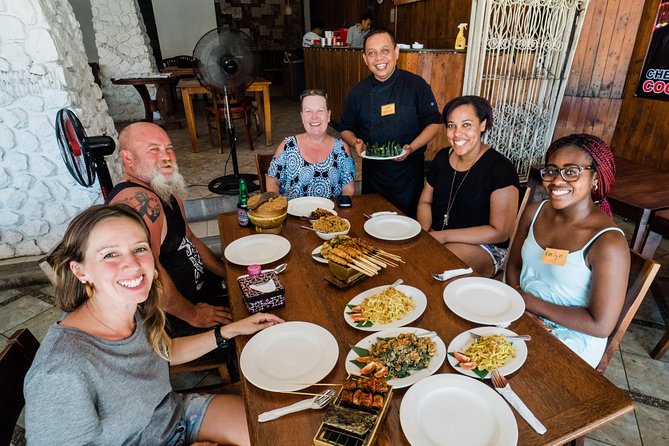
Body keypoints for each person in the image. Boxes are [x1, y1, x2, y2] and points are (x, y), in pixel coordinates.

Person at [23, 204, 284, 445]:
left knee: (273, 434)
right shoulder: (60, 372)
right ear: (80, 271)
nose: (133, 265)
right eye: (110, 254)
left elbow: (165, 351)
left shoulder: (133, 309)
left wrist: (229, 330)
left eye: (139, 249)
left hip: (173, 415)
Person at [506, 134, 630, 368]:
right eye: (552, 170)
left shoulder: (608, 243)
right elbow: (513, 265)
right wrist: (517, 300)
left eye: (571, 171)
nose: (557, 181)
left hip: (571, 336)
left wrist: (528, 303)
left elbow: (600, 325)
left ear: (595, 178)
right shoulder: (535, 212)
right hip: (521, 313)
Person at [106, 122, 230, 339]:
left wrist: (226, 273)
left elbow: (191, 240)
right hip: (172, 317)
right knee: (254, 329)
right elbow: (146, 276)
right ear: (128, 158)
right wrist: (194, 315)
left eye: (169, 148)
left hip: (201, 292)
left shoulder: (164, 191)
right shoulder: (139, 203)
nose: (166, 157)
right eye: (154, 149)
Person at [340, 29, 442, 217]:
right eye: (372, 53)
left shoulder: (416, 86)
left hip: (409, 175)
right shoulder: (357, 92)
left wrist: (411, 147)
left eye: (385, 51)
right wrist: (355, 142)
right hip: (374, 175)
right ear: (365, 58)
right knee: (373, 222)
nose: (379, 58)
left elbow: (434, 123)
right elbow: (346, 128)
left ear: (396, 52)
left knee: (408, 226)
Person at [417, 95, 519, 277]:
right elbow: (425, 201)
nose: (457, 134)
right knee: (412, 253)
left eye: (466, 125)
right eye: (451, 125)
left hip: (485, 247)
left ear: (482, 125)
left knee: (432, 264)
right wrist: (425, 234)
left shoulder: (500, 168)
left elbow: (500, 232)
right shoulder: (442, 158)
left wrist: (444, 237)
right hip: (437, 237)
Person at [267, 89, 356, 200]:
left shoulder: (342, 148)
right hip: (293, 215)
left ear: (328, 115)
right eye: (308, 111)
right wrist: (278, 204)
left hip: (331, 215)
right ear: (302, 116)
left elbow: (349, 189)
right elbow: (272, 181)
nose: (314, 116)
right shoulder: (287, 146)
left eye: (320, 110)